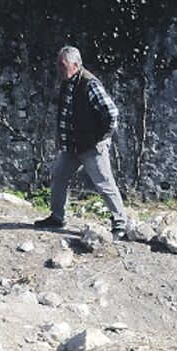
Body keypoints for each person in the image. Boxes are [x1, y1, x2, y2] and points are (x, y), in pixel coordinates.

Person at [34, 46, 128, 238]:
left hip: (91, 146)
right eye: (58, 64)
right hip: (73, 146)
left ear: (75, 65)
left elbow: (111, 113)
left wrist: (99, 137)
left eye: (62, 65)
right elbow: (66, 113)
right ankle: (57, 217)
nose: (58, 68)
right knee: (59, 176)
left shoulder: (89, 83)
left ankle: (121, 223)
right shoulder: (68, 82)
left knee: (104, 184)